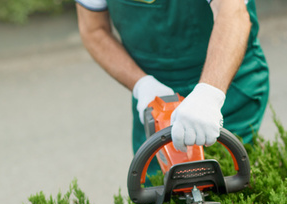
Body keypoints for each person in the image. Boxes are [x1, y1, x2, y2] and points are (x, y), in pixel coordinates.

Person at [75, 0, 270, 173]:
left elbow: (232, 12)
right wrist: (141, 84)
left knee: (225, 179)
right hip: (154, 94)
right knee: (158, 189)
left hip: (226, 81)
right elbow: (93, 30)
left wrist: (209, 94)